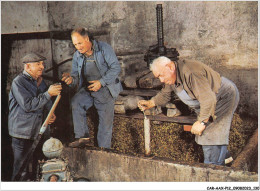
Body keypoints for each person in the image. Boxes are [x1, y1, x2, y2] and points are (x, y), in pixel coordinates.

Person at [138, 56, 239, 166]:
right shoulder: (171, 75)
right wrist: (151, 103)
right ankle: (225, 158)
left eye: (161, 75)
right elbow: (165, 94)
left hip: (222, 98)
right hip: (208, 101)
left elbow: (208, 99)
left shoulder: (190, 73)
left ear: (170, 67)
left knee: (209, 134)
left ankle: (213, 167)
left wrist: (202, 122)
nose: (161, 80)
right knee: (212, 132)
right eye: (158, 77)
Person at [62, 27, 122, 149]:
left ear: (87, 39)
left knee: (104, 124)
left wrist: (101, 82)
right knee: (76, 102)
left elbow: (116, 68)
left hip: (105, 89)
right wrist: (71, 80)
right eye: (75, 44)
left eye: (80, 43)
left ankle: (103, 151)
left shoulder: (104, 48)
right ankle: (82, 137)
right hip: (88, 88)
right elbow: (75, 77)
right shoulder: (77, 56)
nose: (78, 47)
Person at [8, 53, 62, 181]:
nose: (42, 67)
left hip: (38, 132)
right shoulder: (19, 82)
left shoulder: (39, 81)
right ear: (27, 67)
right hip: (22, 133)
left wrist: (50, 113)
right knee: (21, 170)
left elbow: (45, 102)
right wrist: (49, 93)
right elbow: (28, 105)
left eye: (42, 64)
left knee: (38, 167)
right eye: (38, 64)